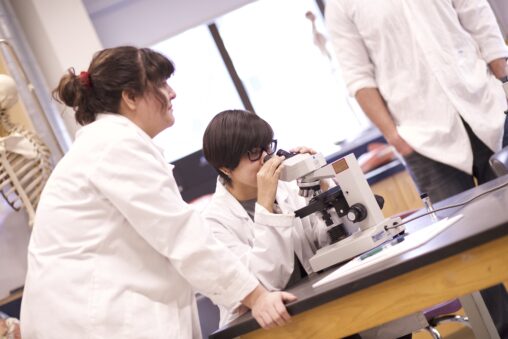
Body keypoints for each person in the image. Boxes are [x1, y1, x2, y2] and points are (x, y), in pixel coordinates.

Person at [19, 46, 296, 339]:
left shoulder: (108, 144)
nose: (172, 93)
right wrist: (256, 297)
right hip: (91, 321)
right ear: (130, 97)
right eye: (161, 84)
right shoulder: (115, 146)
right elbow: (180, 234)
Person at [325, 0, 508, 337]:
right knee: (463, 249)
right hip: (423, 139)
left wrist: (505, 78)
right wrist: (395, 137)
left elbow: (475, 13)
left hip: (486, 105)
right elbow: (358, 77)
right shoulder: (341, 6)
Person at [201, 110, 417, 339]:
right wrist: (265, 205)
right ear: (226, 168)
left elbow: (327, 240)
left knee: (389, 315)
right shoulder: (214, 222)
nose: (266, 158)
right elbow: (267, 283)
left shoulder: (287, 186)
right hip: (273, 325)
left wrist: (319, 180)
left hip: (322, 303)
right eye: (254, 153)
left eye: (267, 147)